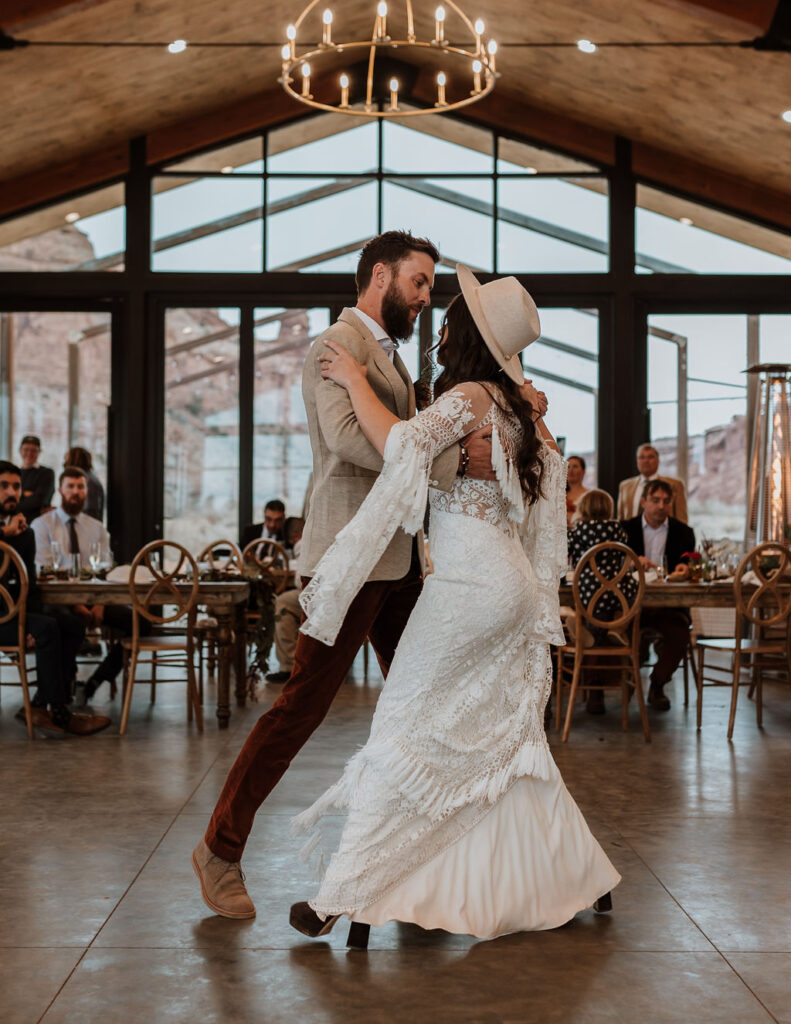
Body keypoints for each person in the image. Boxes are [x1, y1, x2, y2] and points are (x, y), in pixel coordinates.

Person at [287, 265, 620, 943]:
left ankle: (339, 896)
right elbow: (548, 484)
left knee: (402, 729)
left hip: (467, 588)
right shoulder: (519, 406)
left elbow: (401, 446)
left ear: (466, 334)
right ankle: (571, 872)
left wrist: (353, 381)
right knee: (505, 737)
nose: (438, 327)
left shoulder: (470, 396)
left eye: (449, 319)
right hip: (510, 586)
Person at [191, 230, 499, 920]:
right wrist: (452, 461)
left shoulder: (390, 357)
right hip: (352, 559)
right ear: (379, 277)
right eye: (418, 282)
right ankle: (219, 849)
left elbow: (407, 435)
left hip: (400, 558)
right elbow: (353, 442)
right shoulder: (334, 347)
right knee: (301, 706)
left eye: (429, 286)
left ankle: (429, 862)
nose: (426, 297)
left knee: (428, 702)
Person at [0, 461, 109, 736]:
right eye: (4, 486)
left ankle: (39, 703)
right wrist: (5, 534)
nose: (11, 492)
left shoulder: (25, 532)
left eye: (16, 486)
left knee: (69, 624)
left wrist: (28, 624)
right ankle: (60, 713)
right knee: (48, 627)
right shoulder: (12, 531)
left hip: (13, 616)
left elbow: (30, 586)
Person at [32, 466, 139, 703]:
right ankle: (63, 684)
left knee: (139, 622)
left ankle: (96, 680)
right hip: (57, 601)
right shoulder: (41, 526)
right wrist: (78, 605)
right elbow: (44, 571)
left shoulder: (96, 527)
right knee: (68, 624)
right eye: (70, 486)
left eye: (80, 487)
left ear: (87, 491)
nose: (76, 492)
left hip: (96, 599)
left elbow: (105, 569)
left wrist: (99, 602)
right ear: (60, 490)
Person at [622, 479, 696, 711]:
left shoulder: (684, 532)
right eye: (655, 500)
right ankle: (611, 685)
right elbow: (613, 565)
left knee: (680, 634)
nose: (661, 506)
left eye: (666, 501)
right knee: (604, 627)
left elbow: (689, 563)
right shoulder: (624, 529)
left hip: (669, 606)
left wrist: (686, 569)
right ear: (644, 502)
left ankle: (657, 684)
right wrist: (632, 563)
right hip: (631, 606)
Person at [566, 489, 638, 715]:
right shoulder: (618, 528)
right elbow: (624, 553)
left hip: (588, 587)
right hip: (617, 586)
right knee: (627, 601)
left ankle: (584, 629)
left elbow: (567, 554)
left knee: (591, 612)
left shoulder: (577, 530)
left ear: (583, 508)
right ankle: (616, 627)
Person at [265, 517, 305, 685]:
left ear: (293, 537)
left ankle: (288, 666)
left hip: (321, 596)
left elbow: (301, 582)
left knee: (283, 602)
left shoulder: (302, 545)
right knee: (289, 602)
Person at [617, 443, 687, 523]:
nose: (646, 461)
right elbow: (621, 518)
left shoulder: (675, 485)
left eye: (650, 457)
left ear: (658, 461)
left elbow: (682, 519)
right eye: (641, 457)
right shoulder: (625, 486)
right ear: (637, 461)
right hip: (631, 534)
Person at [17, 435, 55, 523]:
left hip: (39, 523)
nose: (29, 453)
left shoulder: (47, 473)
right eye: (26, 449)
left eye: (33, 450)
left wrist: (18, 499)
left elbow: (40, 501)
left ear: (39, 452)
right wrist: (25, 494)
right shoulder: (15, 473)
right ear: (20, 450)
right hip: (17, 523)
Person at [63, 447, 104, 521]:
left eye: (66, 460)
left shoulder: (87, 481)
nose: (64, 464)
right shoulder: (89, 478)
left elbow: (90, 511)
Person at [565, 454, 589, 527]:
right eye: (568, 467)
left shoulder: (589, 495)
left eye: (575, 466)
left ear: (583, 471)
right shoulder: (558, 495)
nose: (570, 470)